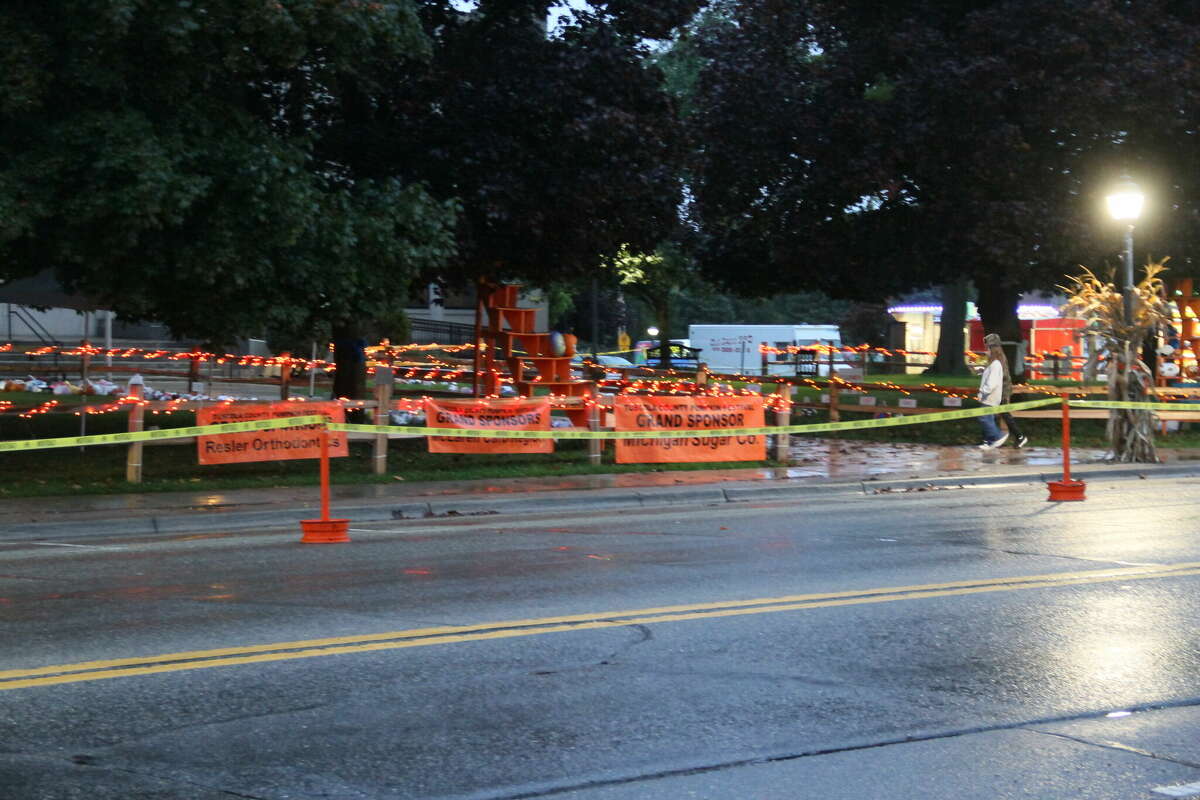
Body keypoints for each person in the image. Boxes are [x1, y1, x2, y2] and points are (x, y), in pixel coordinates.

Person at [977, 333, 1028, 450]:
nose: (986, 350)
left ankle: (1017, 436)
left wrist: (988, 390)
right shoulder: (998, 359)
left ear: (992, 347)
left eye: (988, 347)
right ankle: (989, 440)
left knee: (995, 415)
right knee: (992, 415)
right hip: (999, 391)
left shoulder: (997, 361)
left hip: (1000, 392)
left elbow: (998, 379)